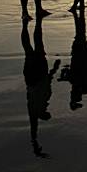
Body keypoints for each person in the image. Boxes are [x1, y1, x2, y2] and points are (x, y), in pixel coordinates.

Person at [22, 17, 60, 158]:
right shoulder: (45, 100)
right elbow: (48, 81)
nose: (48, 114)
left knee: (30, 50)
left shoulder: (34, 109)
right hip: (39, 75)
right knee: (38, 46)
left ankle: (25, 26)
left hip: (33, 78)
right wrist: (55, 68)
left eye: (46, 115)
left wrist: (35, 143)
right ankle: (35, 23)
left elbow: (34, 128)